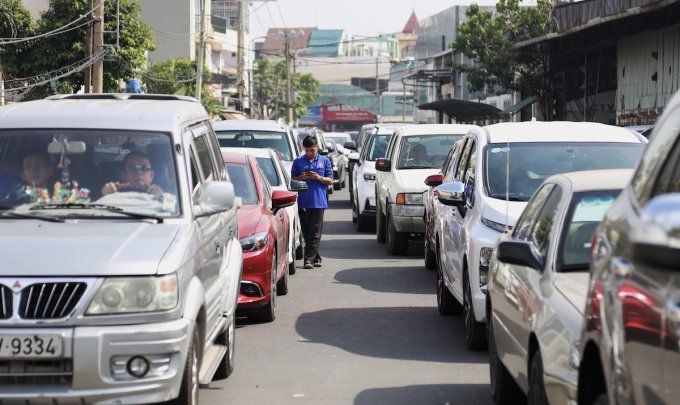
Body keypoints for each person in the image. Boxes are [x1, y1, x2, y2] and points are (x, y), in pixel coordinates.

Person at [291, 136, 333, 269]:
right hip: (304, 202)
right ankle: (316, 257)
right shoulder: (298, 161)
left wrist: (318, 177)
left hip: (319, 202)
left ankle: (307, 260)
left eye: (312, 150)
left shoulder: (324, 161)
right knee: (307, 232)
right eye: (307, 150)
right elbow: (292, 180)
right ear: (304, 149)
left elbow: (330, 180)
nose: (310, 153)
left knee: (315, 232)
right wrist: (301, 177)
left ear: (317, 148)